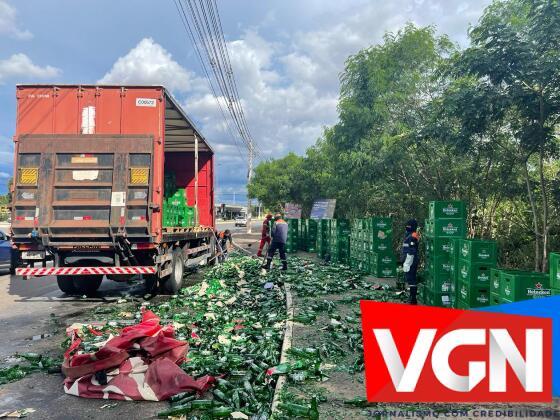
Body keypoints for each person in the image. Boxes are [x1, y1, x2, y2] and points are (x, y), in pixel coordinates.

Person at [401, 219, 420, 305]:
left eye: (409, 226)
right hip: (408, 258)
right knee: (409, 278)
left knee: (411, 278)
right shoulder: (408, 234)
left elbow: (412, 250)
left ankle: (413, 299)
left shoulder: (413, 235)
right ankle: (412, 297)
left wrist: (408, 262)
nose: (407, 227)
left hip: (411, 259)